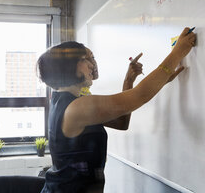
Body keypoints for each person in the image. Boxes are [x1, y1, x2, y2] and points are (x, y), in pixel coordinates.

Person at [37, 28, 196, 193]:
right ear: (69, 66)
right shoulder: (77, 108)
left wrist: (129, 80)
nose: (92, 64)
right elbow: (139, 96)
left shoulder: (63, 101)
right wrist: (177, 52)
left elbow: (121, 122)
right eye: (85, 59)